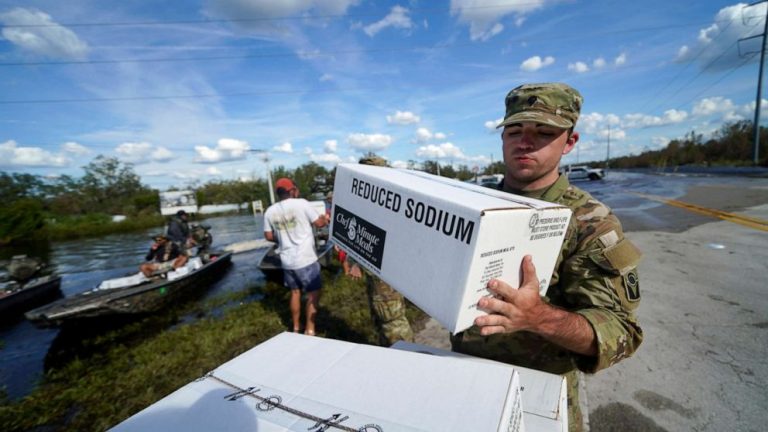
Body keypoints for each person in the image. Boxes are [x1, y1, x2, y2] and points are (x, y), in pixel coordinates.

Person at [450, 83, 643, 431]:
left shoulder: (590, 221)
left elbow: (622, 333)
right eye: (515, 131)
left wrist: (538, 317)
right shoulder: (472, 204)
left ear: (569, 142)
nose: (525, 142)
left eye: (544, 132)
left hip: (539, 397)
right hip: (465, 379)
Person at [344, 155, 415, 346]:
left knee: (392, 320)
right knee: (382, 319)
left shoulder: (389, 202)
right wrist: (354, 260)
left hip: (386, 271)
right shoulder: (369, 202)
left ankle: (407, 360)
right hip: (375, 271)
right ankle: (389, 354)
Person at [263, 178, 329, 335]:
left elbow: (268, 235)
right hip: (305, 258)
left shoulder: (270, 211)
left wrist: (282, 237)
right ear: (291, 190)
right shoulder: (302, 203)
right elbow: (319, 224)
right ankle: (310, 329)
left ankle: (296, 328)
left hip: (287, 261)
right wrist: (325, 218)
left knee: (295, 292)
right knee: (314, 292)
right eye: (295, 188)